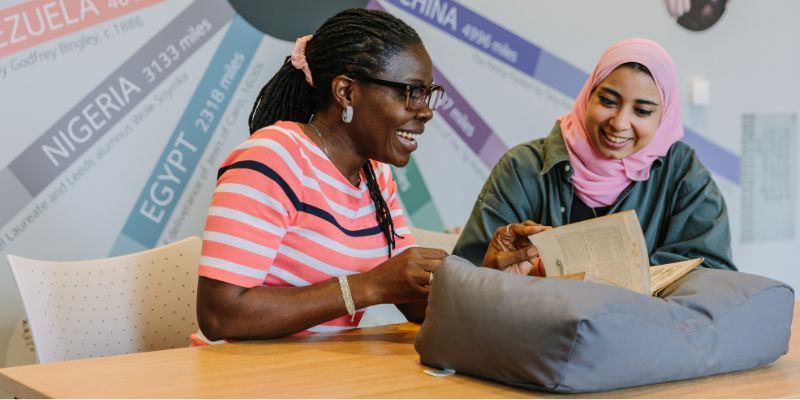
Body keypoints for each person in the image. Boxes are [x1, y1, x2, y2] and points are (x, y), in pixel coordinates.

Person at [194, 8, 448, 342]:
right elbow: (220, 315)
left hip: (323, 377)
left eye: (427, 93)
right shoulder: (272, 158)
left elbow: (412, 300)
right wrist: (369, 286)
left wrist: (487, 279)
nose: (426, 110)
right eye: (410, 91)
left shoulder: (375, 174)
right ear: (346, 91)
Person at [453, 38, 736, 275]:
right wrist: (502, 268)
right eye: (608, 101)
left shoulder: (684, 175)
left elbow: (712, 278)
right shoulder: (521, 168)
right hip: (538, 337)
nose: (620, 122)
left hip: (640, 339)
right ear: (588, 95)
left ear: (665, 116)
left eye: (642, 111)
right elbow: (465, 275)